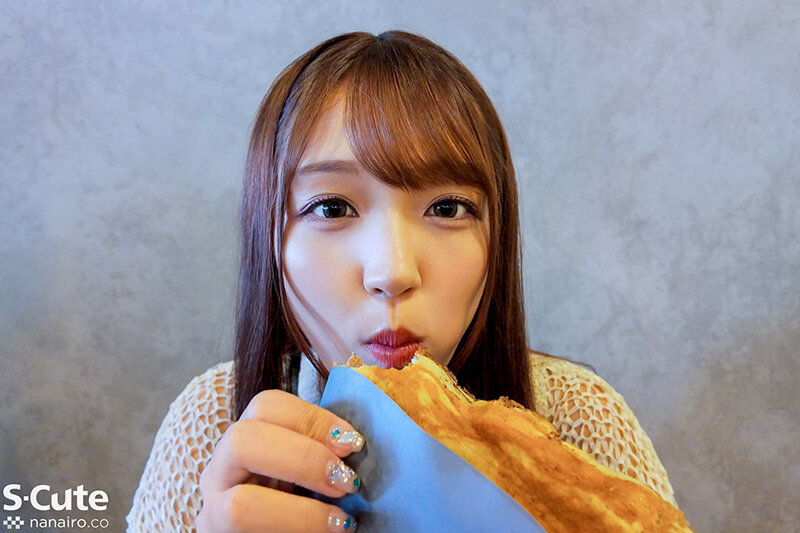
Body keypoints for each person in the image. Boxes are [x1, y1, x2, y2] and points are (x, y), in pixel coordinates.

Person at [127, 30, 677, 532]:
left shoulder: (578, 418)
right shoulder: (212, 423)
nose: (392, 273)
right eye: (332, 207)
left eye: (447, 207)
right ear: (268, 236)